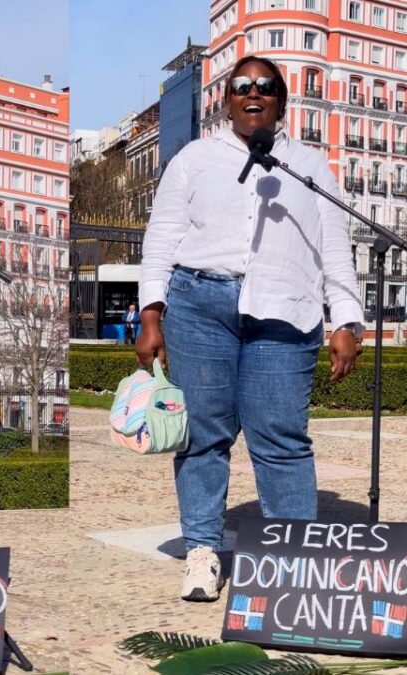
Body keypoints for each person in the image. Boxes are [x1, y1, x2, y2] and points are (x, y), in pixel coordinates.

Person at [136, 55, 364, 603]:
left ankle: (292, 563)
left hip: (285, 310)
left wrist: (347, 318)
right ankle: (202, 552)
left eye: (265, 86)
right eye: (242, 86)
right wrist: (151, 313)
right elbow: (162, 237)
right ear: (226, 100)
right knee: (203, 437)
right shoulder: (193, 158)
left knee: (282, 438)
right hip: (200, 306)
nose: (253, 93)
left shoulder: (310, 165)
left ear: (281, 101)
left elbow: (333, 246)